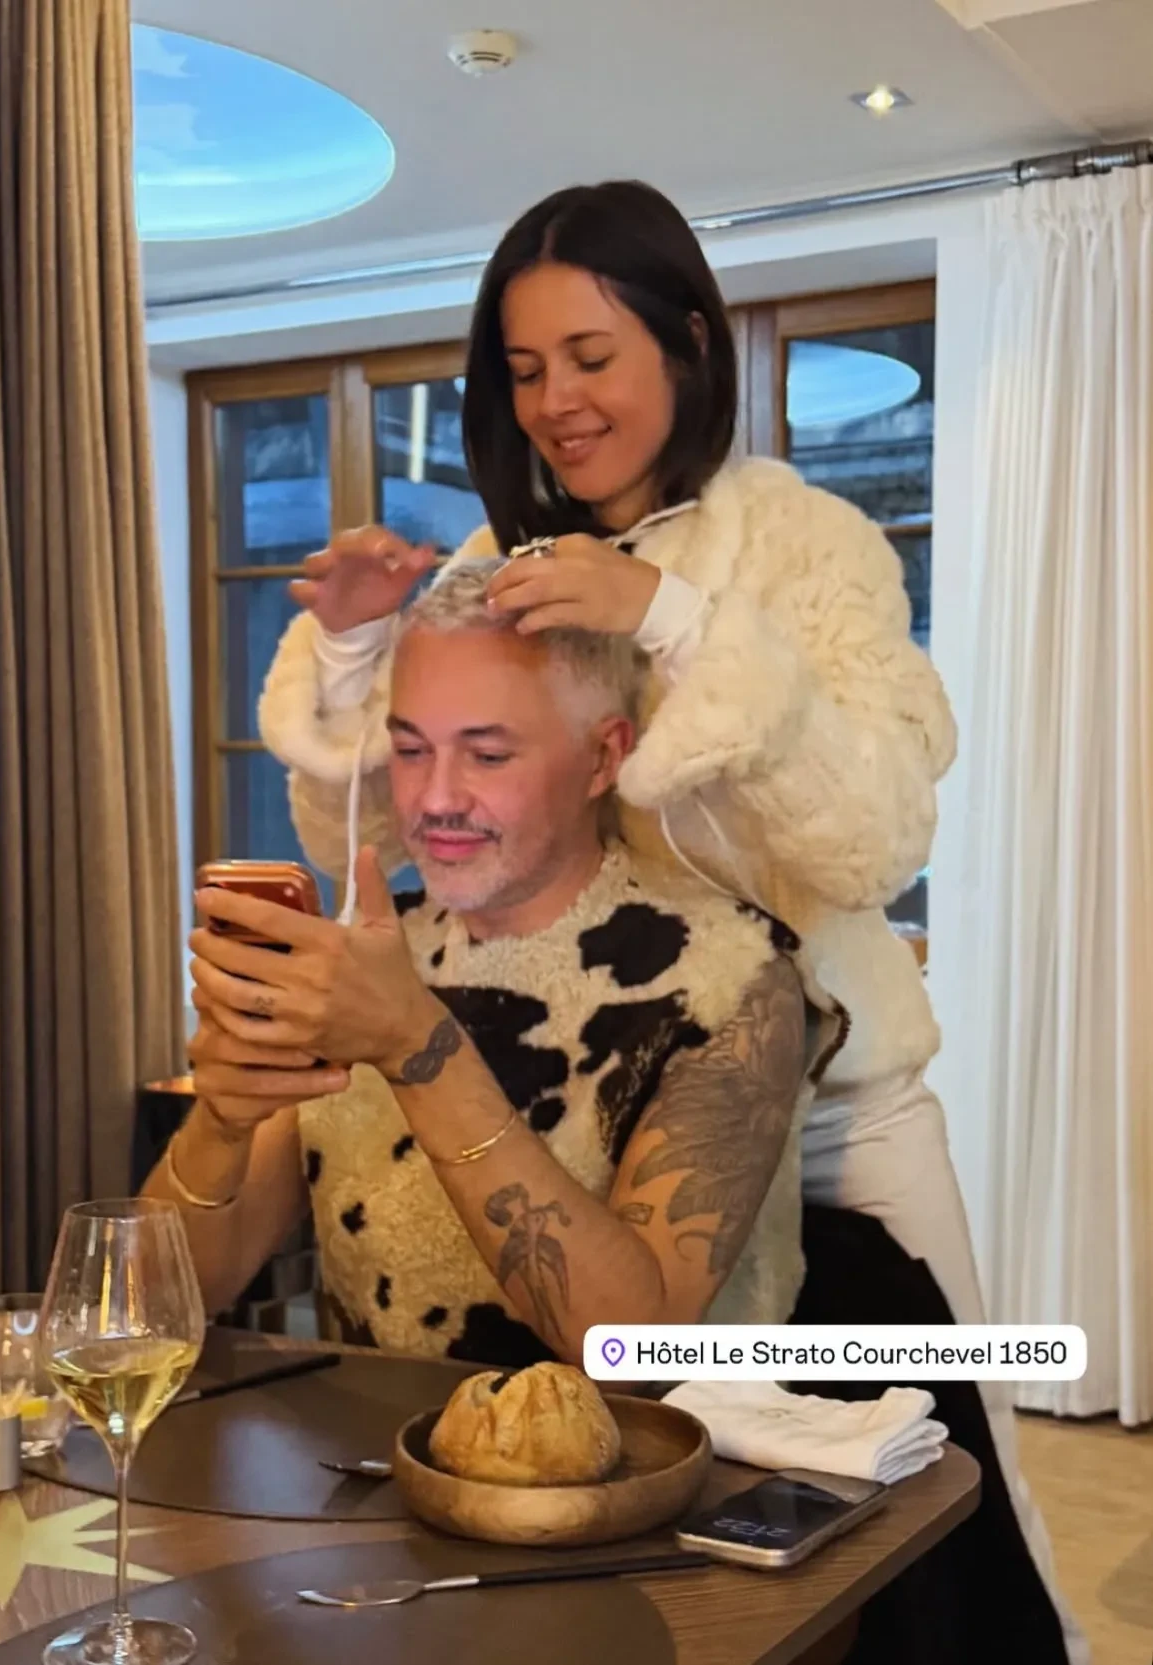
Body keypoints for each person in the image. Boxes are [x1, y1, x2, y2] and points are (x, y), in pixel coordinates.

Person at [255, 179, 1082, 1662]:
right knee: (643, 1480)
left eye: (592, 355)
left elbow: (873, 836)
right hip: (578, 1095)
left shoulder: (805, 547)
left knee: (937, 1470)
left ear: (689, 343)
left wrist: (669, 618)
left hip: (832, 1109)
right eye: (524, 370)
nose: (557, 403)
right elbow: (395, 832)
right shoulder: (498, 566)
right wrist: (366, 646)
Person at [147, 563, 846, 1360]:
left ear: (602, 757)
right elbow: (167, 1305)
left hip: (657, 1442)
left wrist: (419, 1047)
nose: (435, 798)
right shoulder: (375, 955)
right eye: (410, 749)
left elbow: (631, 1349)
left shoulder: (729, 977)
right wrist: (223, 1120)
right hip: (368, 1438)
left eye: (486, 755)